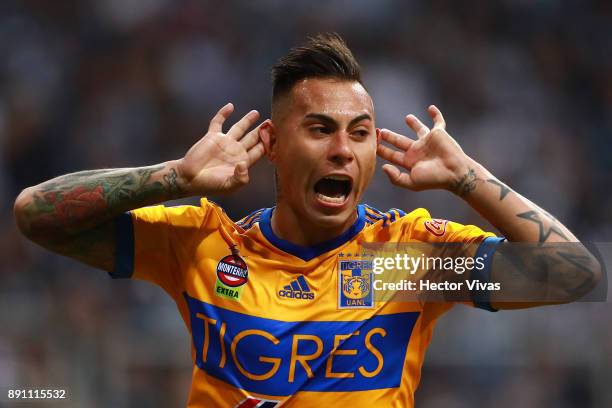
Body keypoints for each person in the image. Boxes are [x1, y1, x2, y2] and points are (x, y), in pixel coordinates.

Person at [13, 33, 601, 407]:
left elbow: (574, 274)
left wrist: (468, 177)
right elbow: (36, 215)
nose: (343, 149)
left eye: (360, 133)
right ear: (271, 143)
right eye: (319, 129)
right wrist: (172, 177)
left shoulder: (400, 261)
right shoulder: (205, 245)